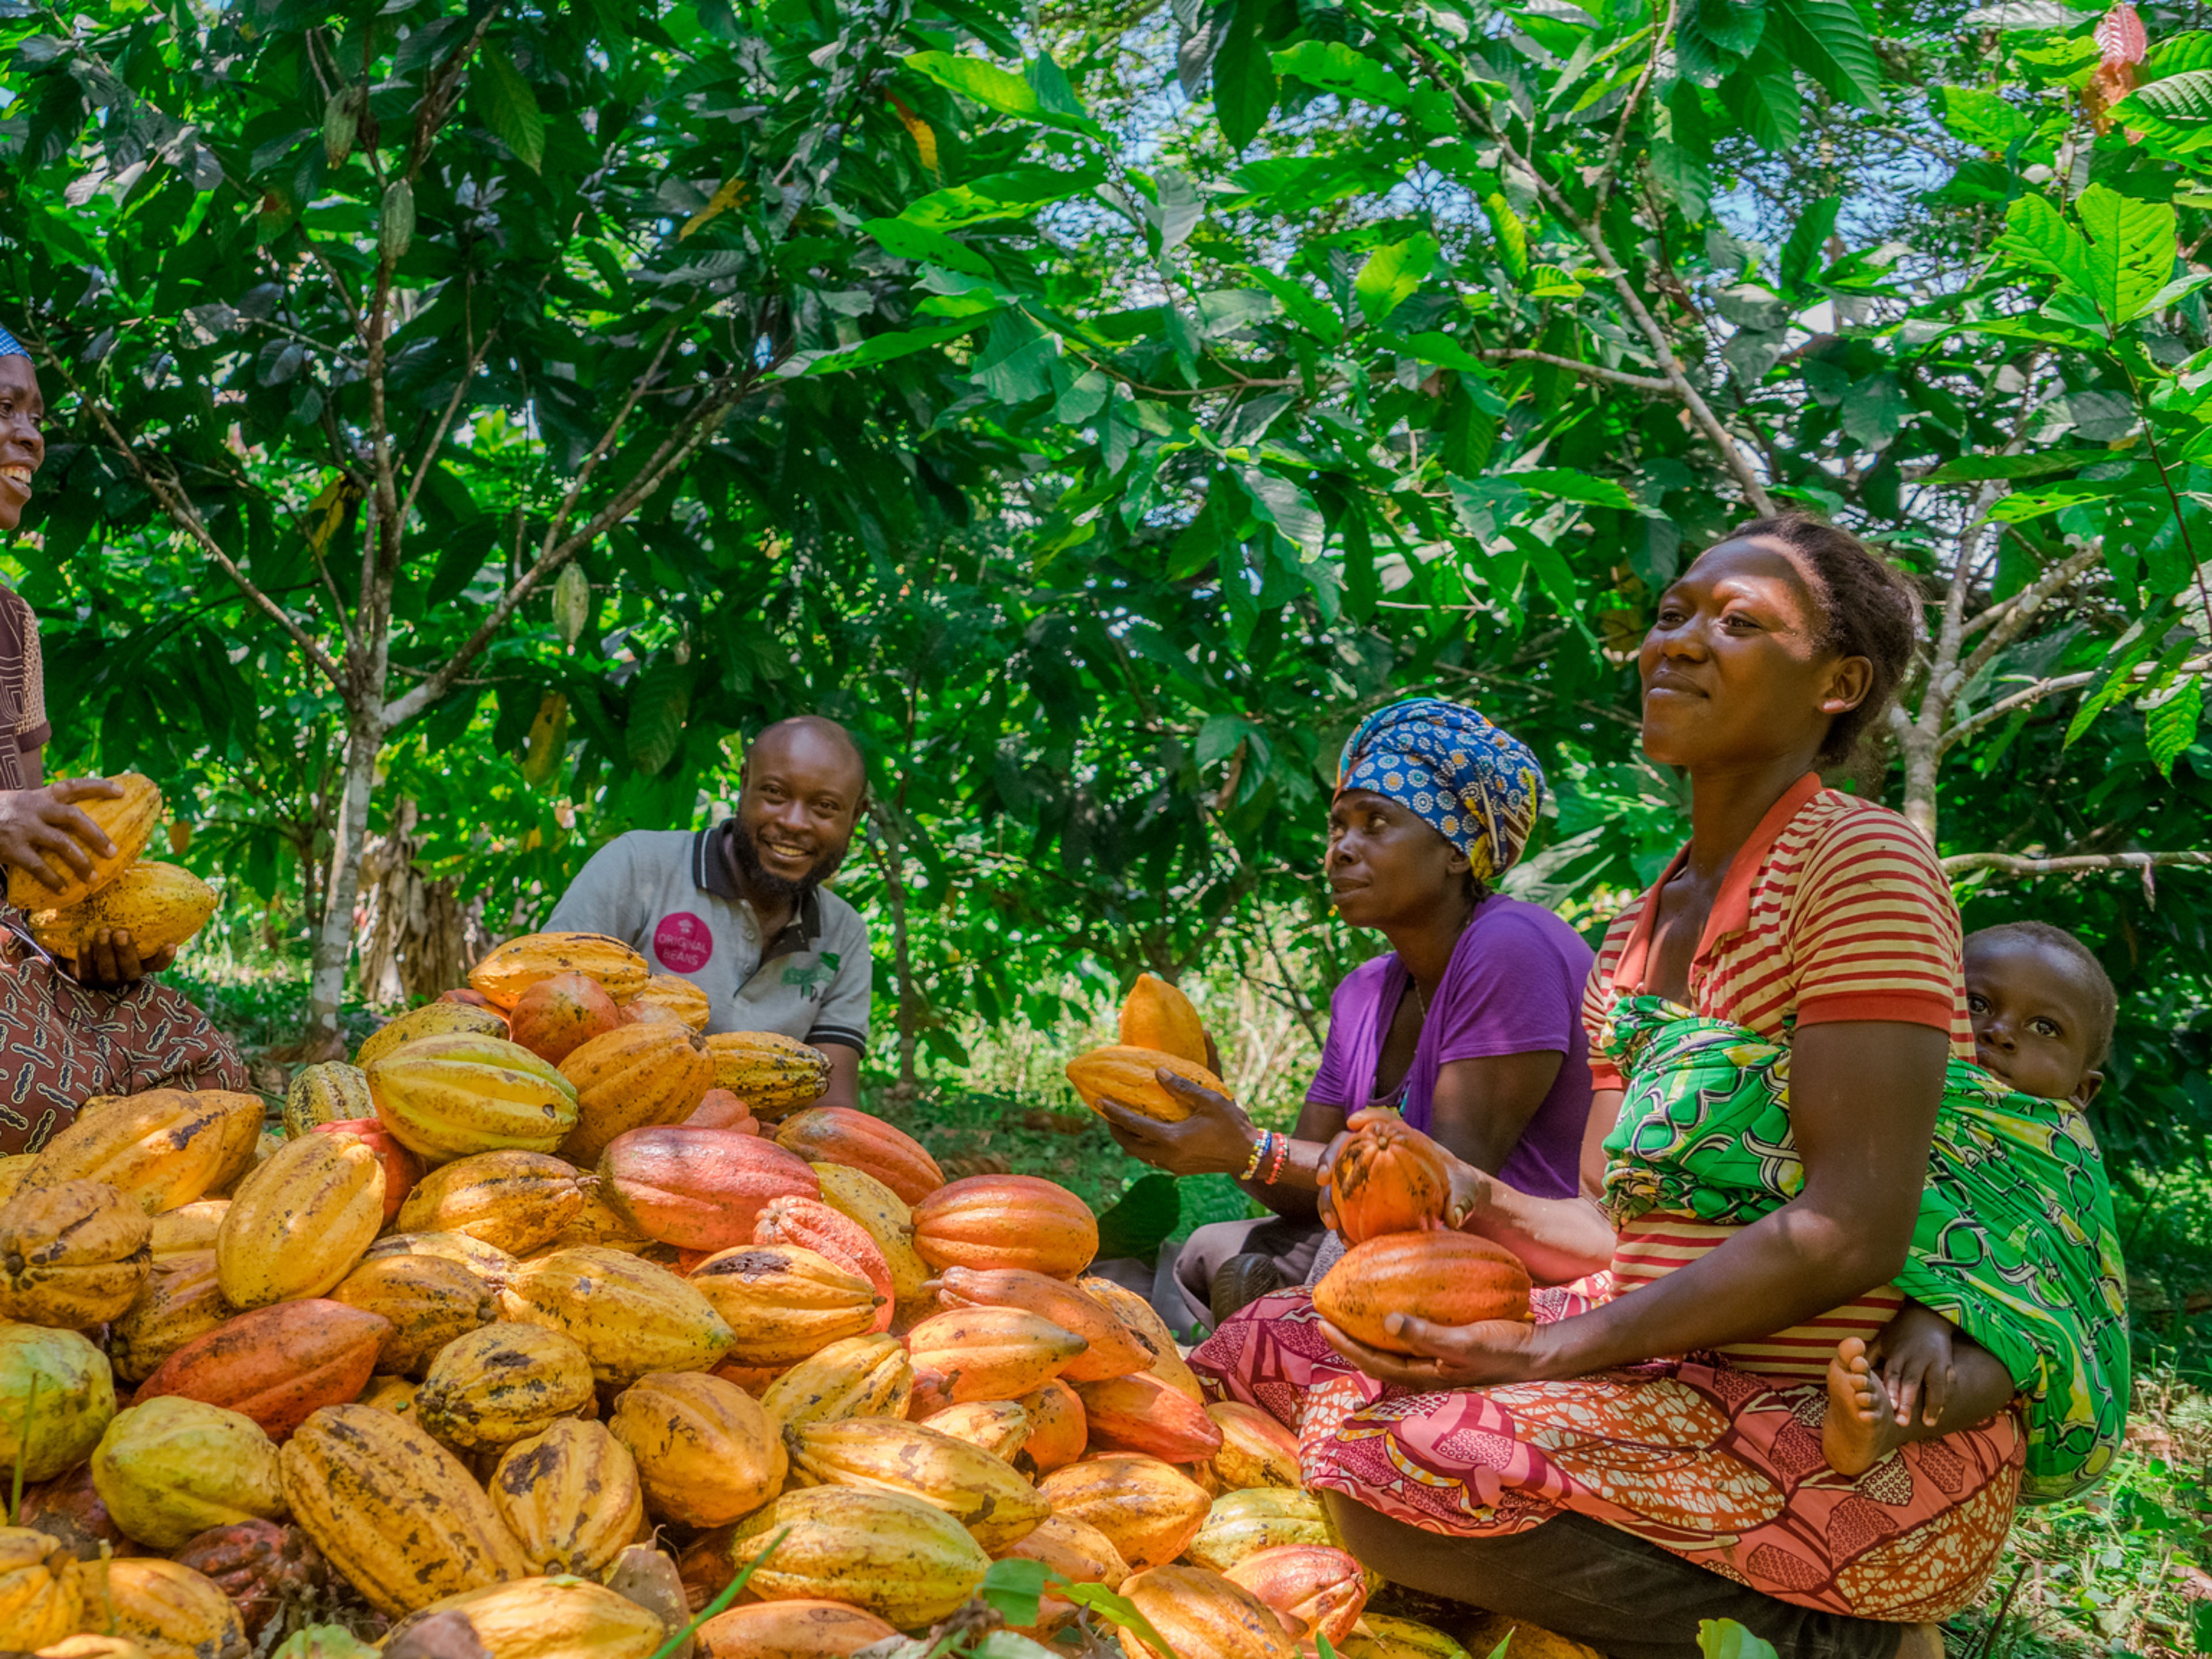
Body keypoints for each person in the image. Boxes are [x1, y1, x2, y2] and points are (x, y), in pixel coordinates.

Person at [1190, 515, 2126, 1659]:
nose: (1678, 641)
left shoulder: (1862, 866)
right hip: (1659, 1369)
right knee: (1269, 1344)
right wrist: (1466, 1193)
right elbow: (1610, 1233)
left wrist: (1543, 1355)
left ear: (1837, 684)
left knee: (1400, 1466)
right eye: (1674, 613)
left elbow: (1851, 1230)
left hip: (1830, 1433)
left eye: (1738, 623)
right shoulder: (1639, 933)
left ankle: (1845, 1638)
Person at [1097, 697, 1596, 1331]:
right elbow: (1302, 1195)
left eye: (1376, 825)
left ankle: (1290, 1322)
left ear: (1456, 852)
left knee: (1321, 1266)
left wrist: (1254, 1148)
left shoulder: (1512, 947)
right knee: (1209, 1247)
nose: (1341, 850)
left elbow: (1443, 1184)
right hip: (1397, 1238)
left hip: (1506, 1253)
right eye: (1337, 828)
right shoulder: (1363, 993)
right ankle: (1289, 1316)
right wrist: (1221, 1127)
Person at [0, 324, 248, 1153]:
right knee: (35, 1102)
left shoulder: (13, 622)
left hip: (13, 959)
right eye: (4, 409)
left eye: (37, 417)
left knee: (212, 1079)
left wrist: (88, 931)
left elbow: (28, 880)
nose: (31, 437)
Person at [1825, 920, 2124, 1478]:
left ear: (2082, 1090)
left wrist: (1937, 1314)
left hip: (1981, 1330)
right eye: (1977, 1002)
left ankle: (1891, 1423)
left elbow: (2038, 1265)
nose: (2000, 1032)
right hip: (1847, 1307)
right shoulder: (1895, 1079)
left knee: (2020, 1350)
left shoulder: (2059, 1153)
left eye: (2044, 1027)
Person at [547, 715, 872, 1111]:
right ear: (744, 784)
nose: (793, 822)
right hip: (602, 1116)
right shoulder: (636, 867)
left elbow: (833, 1109)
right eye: (774, 793)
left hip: (751, 1141)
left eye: (825, 807)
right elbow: (545, 1007)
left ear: (856, 816)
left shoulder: (844, 933)